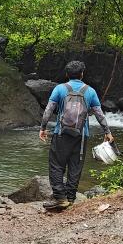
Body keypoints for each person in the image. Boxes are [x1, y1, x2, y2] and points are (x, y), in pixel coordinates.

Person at [39, 60, 113, 210]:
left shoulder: (60, 89)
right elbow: (99, 114)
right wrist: (107, 132)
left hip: (61, 133)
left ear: (67, 74)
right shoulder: (90, 91)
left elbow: (48, 110)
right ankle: (71, 198)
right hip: (82, 135)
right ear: (82, 74)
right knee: (75, 166)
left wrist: (43, 127)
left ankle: (60, 197)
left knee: (56, 165)